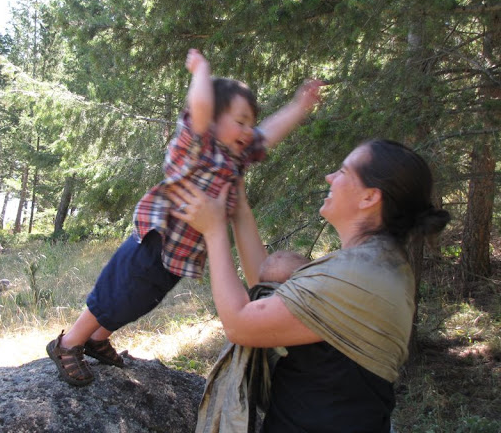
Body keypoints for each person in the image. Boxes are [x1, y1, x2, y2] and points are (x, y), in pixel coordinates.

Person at [46, 49, 324, 386]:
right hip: (157, 240)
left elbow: (268, 134)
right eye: (240, 121)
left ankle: (97, 338)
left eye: (250, 123)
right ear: (214, 120)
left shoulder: (235, 156)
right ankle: (69, 343)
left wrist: (299, 106)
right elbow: (201, 107)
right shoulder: (198, 144)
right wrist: (201, 71)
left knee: (138, 300)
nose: (248, 131)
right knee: (119, 290)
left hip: (179, 256)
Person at [169, 139, 451, 432]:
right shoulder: (376, 265)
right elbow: (269, 295)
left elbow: (241, 324)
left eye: (343, 172)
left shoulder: (360, 275)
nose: (330, 177)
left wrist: (214, 231)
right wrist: (239, 209)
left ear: (369, 197)